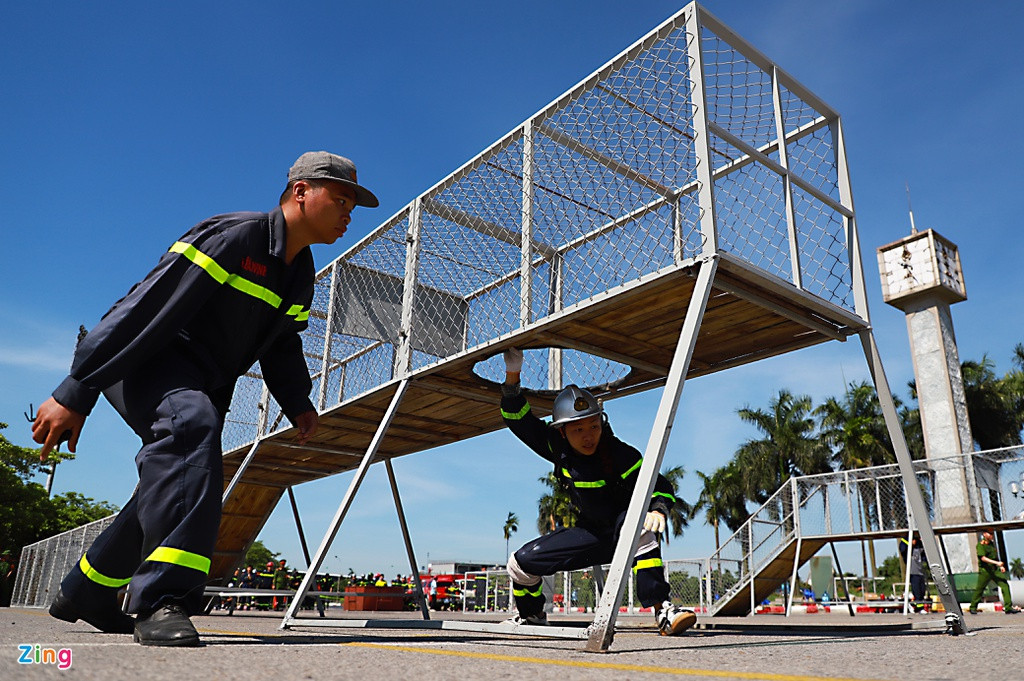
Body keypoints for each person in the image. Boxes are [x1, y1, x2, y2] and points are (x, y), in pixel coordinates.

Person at [32, 151, 378, 646]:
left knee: (182, 476)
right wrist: (76, 389)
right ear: (300, 191)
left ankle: (87, 588)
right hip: (145, 358)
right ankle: (162, 600)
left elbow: (283, 343)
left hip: (201, 381)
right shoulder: (235, 236)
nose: (348, 214)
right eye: (341, 200)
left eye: (352, 206)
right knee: (191, 428)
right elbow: (144, 308)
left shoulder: (300, 272)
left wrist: (298, 400)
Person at [499, 348, 696, 635]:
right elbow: (518, 419)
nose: (589, 435)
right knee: (519, 564)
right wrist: (513, 375)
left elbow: (661, 486)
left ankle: (663, 610)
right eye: (578, 430)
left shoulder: (620, 454)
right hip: (590, 535)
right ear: (563, 432)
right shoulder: (557, 447)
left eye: (594, 425)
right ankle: (532, 617)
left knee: (637, 525)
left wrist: (657, 508)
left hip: (625, 530)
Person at [968, 530, 1021, 614]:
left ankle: (1008, 607)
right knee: (980, 589)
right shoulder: (980, 545)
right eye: (990, 533)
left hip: (994, 570)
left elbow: (995, 557)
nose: (992, 535)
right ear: (984, 534)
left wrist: (1001, 566)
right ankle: (973, 607)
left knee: (1004, 585)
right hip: (985, 571)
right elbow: (983, 558)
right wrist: (997, 563)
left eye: (992, 533)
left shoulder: (992, 545)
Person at [898, 534, 928, 613]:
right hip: (913, 572)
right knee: (917, 591)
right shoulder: (905, 545)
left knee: (922, 591)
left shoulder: (919, 545)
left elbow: (924, 551)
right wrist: (910, 543)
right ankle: (919, 608)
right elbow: (903, 549)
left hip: (920, 571)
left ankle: (919, 606)